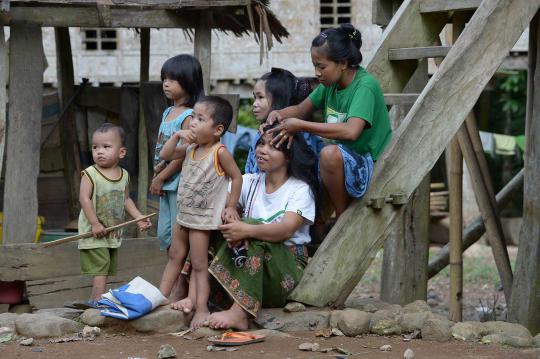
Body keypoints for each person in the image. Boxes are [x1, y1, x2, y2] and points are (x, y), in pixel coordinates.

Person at [266, 23, 392, 218]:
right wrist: (279, 114)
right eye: (315, 65)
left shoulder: (364, 87)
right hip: (345, 161)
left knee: (328, 154)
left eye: (321, 66)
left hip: (368, 162)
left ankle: (343, 216)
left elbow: (351, 132)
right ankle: (318, 223)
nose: (317, 72)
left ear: (342, 63)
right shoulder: (329, 84)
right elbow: (300, 109)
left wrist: (301, 126)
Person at [206, 123, 319, 330]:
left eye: (273, 146)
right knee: (204, 225)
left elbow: (286, 229)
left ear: (288, 156)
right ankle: (193, 297)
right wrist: (228, 210)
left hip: (286, 270)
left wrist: (246, 229)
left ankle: (240, 312)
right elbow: (215, 200)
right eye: (261, 144)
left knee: (251, 228)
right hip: (250, 269)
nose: (262, 150)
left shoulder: (300, 190)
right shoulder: (249, 181)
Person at [158, 96, 243, 328]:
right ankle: (160, 298)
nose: (193, 122)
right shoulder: (191, 148)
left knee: (198, 264)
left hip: (202, 221)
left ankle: (202, 308)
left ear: (218, 129)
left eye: (200, 118)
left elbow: (236, 177)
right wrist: (176, 136)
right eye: (193, 117)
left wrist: (231, 206)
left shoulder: (219, 152)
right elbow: (166, 155)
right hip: (183, 215)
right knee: (175, 255)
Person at [78, 123, 152, 308]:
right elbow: (84, 199)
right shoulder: (90, 174)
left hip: (112, 231)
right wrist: (94, 223)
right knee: (101, 265)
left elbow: (126, 199)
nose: (99, 152)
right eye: (95, 147)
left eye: (106, 147)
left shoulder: (124, 175)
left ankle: (94, 299)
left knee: (105, 267)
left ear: (121, 152)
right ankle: (98, 302)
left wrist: (139, 217)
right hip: (93, 230)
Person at [150, 54, 203, 252]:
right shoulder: (167, 111)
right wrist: (158, 173)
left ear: (188, 81)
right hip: (165, 180)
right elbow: (162, 148)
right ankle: (175, 280)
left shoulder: (189, 116)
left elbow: (184, 155)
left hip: (178, 183)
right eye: (164, 79)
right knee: (165, 235)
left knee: (177, 237)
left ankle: (180, 281)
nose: (166, 84)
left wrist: (160, 177)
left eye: (172, 79)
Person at [245, 67, 324, 174]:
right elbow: (251, 171)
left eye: (260, 97)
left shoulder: (300, 135)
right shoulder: (261, 133)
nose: (254, 104)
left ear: (279, 98)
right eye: (255, 97)